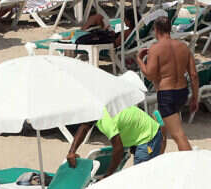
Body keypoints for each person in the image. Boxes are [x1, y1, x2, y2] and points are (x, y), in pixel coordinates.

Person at [139, 16, 198, 152]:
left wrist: (140, 60)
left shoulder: (155, 48)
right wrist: (195, 97)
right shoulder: (183, 47)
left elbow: (150, 75)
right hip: (182, 92)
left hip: (167, 94)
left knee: (178, 135)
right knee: (160, 126)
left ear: (156, 30)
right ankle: (159, 156)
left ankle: (190, 161)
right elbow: (194, 75)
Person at [66, 105, 163, 176]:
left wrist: (108, 175)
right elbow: (84, 127)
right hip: (138, 131)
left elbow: (118, 149)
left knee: (140, 175)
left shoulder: (106, 122)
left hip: (148, 136)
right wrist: (71, 152)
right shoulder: (98, 108)